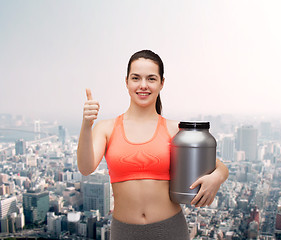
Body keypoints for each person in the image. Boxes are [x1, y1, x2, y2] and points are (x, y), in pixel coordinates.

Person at [77, 50, 229, 240]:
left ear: (161, 83)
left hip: (170, 230)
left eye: (151, 78)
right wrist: (86, 124)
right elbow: (85, 167)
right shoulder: (106, 128)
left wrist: (217, 177)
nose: (143, 85)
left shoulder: (175, 130)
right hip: (124, 233)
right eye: (136, 78)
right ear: (126, 82)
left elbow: (217, 165)